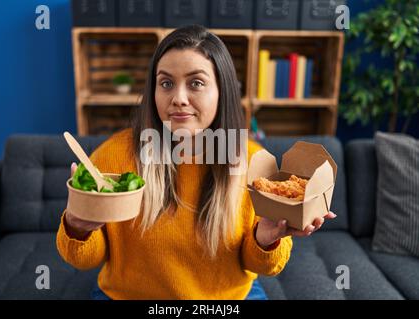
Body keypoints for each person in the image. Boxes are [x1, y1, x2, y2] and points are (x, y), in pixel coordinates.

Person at [56, 25, 336, 300]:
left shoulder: (254, 163)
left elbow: (262, 265)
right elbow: (86, 260)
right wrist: (77, 227)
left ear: (221, 91)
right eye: (166, 83)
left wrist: (266, 238)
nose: (178, 98)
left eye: (196, 83)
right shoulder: (111, 157)